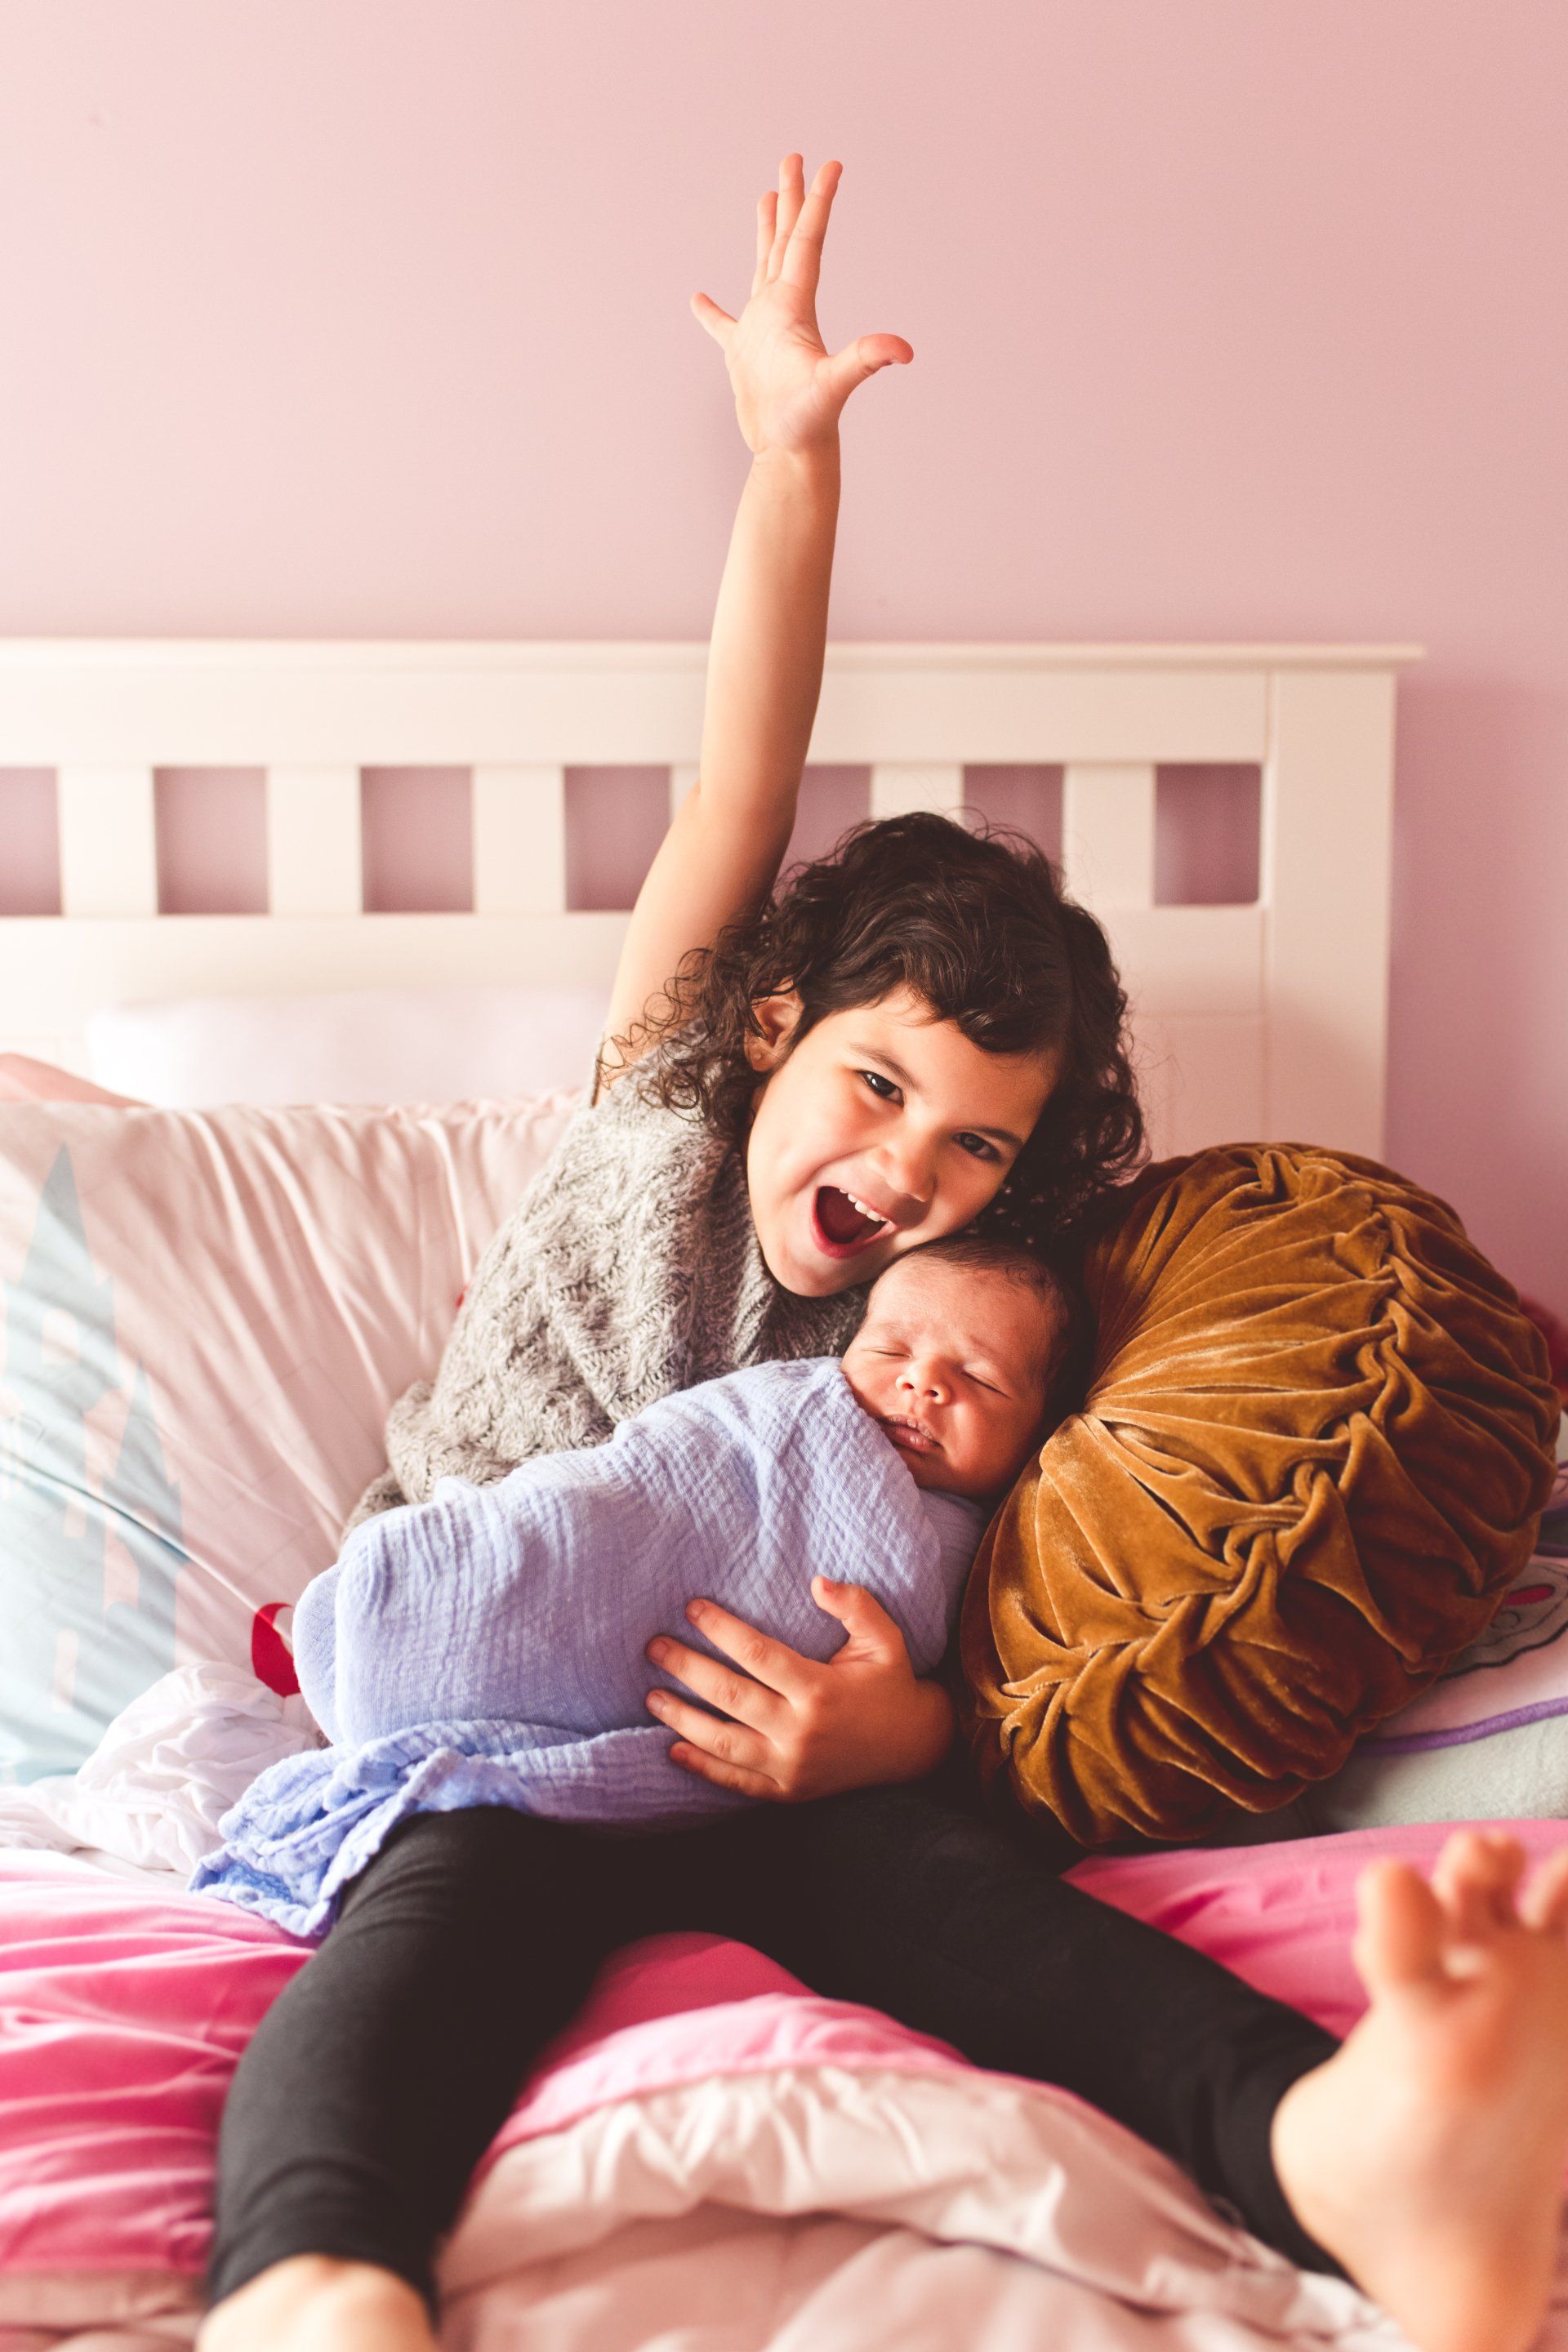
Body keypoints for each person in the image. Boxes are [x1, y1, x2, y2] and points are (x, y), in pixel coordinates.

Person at [198, 157, 1568, 2352]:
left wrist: (904, 1732)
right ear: (768, 1029)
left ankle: (1339, 2151)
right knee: (419, 1946)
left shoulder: (964, 1331)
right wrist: (792, 462)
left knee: (979, 1912)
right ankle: (317, 2276)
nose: (906, 1166)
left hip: (779, 1764)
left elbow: (1007, 1611)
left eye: (974, 1146)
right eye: (873, 1084)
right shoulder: (658, 1113)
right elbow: (737, 792)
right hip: (511, 1734)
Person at [193, 1241, 1070, 1936]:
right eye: (891, 1350)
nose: (923, 1382)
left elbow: (1015, 1702)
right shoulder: (779, 1395)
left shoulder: (1002, 1543)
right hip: (498, 1810)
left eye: (980, 1378)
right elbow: (628, 1492)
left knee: (959, 1890)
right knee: (434, 1900)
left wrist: (921, 1730)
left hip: (817, 1811)